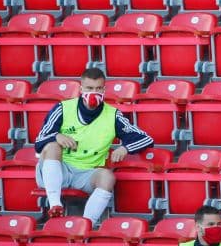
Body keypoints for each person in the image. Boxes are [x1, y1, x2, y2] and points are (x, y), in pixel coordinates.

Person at [34, 67, 153, 222]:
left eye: (98, 88)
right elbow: (39, 141)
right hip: (60, 169)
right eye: (89, 88)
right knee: (52, 146)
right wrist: (56, 136)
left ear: (104, 90)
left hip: (87, 173)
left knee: (108, 177)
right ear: (81, 88)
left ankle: (87, 224)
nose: (93, 93)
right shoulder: (63, 108)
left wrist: (125, 148)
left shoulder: (113, 115)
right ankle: (55, 205)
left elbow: (146, 138)